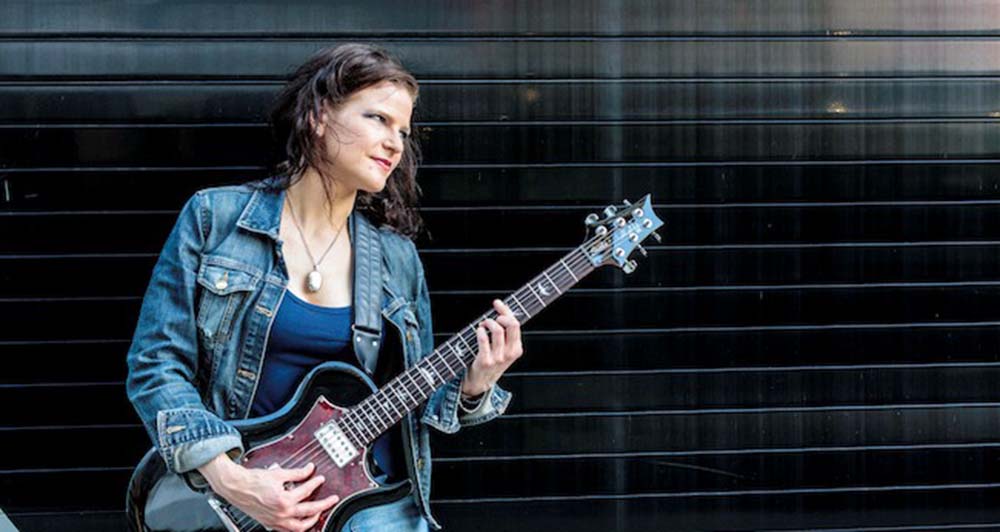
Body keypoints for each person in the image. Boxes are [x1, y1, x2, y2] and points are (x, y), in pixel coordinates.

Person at [126, 43, 523, 532]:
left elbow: (414, 402)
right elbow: (156, 364)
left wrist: (473, 388)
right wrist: (234, 481)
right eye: (378, 119)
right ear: (317, 116)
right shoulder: (216, 220)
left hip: (372, 504)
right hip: (234, 498)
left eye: (403, 131)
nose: (395, 144)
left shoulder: (396, 259)